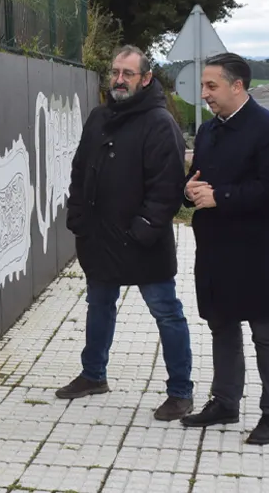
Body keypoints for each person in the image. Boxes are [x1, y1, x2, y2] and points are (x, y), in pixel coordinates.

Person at [59, 45, 194, 421]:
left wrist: (141, 231)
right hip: (98, 239)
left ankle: (181, 392)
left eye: (128, 74)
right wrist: (78, 218)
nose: (119, 80)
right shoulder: (99, 117)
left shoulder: (159, 122)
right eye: (115, 72)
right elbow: (79, 170)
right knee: (98, 306)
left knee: (166, 312)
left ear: (146, 78)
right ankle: (93, 376)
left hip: (142, 243)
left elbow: (167, 189)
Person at [178, 53, 269, 446]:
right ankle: (225, 401)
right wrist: (191, 191)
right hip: (215, 247)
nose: (204, 94)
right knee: (221, 324)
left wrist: (220, 196)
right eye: (204, 86)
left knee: (265, 331)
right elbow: (200, 181)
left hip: (256, 250)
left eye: (211, 86)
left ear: (237, 85)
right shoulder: (209, 131)